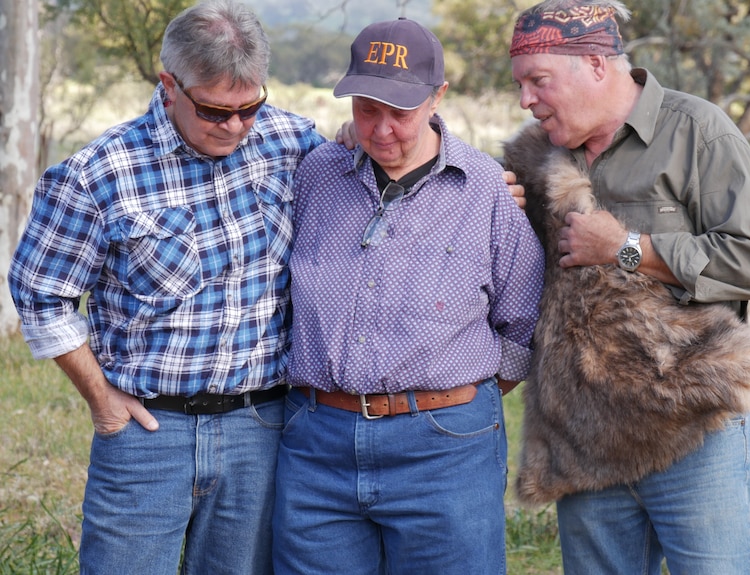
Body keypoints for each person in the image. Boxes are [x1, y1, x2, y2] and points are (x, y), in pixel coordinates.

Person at [7, 1, 326, 573]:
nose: (234, 126)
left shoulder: (294, 143)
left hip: (263, 430)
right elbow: (40, 293)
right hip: (147, 434)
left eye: (249, 107)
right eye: (214, 110)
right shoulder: (99, 173)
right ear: (168, 86)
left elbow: (379, 175)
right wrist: (102, 402)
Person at [506, 1, 750, 574]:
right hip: (583, 440)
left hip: (692, 431)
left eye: (539, 81)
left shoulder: (696, 131)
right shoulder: (535, 155)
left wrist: (628, 248)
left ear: (597, 66)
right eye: (521, 84)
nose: (526, 100)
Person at [271, 17, 545, 575]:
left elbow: (522, 323)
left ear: (437, 97)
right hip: (317, 443)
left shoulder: (486, 188)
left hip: (446, 449)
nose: (382, 129)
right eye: (367, 110)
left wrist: (448, 400)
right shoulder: (315, 175)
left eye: (400, 112)